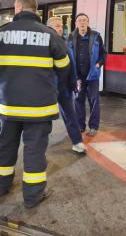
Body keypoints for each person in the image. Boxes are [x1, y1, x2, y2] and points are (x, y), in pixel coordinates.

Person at [0, 0, 70, 208]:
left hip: (7, 106)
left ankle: (1, 187)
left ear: (18, 7)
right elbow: (65, 69)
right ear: (36, 10)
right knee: (34, 151)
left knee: (5, 146)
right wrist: (51, 89)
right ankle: (32, 197)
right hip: (39, 108)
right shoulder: (50, 36)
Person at [47, 17, 86, 153]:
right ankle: (40, 144)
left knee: (70, 115)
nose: (60, 28)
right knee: (44, 117)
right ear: (49, 28)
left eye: (61, 26)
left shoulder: (64, 42)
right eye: (57, 26)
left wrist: (75, 81)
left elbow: (71, 64)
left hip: (65, 87)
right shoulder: (45, 44)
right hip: (50, 87)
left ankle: (77, 142)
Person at [68, 13, 106, 137]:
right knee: (78, 100)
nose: (82, 22)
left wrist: (98, 64)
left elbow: (103, 54)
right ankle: (80, 126)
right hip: (77, 76)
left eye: (84, 20)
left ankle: (93, 127)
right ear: (76, 24)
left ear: (88, 22)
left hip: (92, 75)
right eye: (80, 20)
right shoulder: (71, 37)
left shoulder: (96, 36)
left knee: (94, 101)